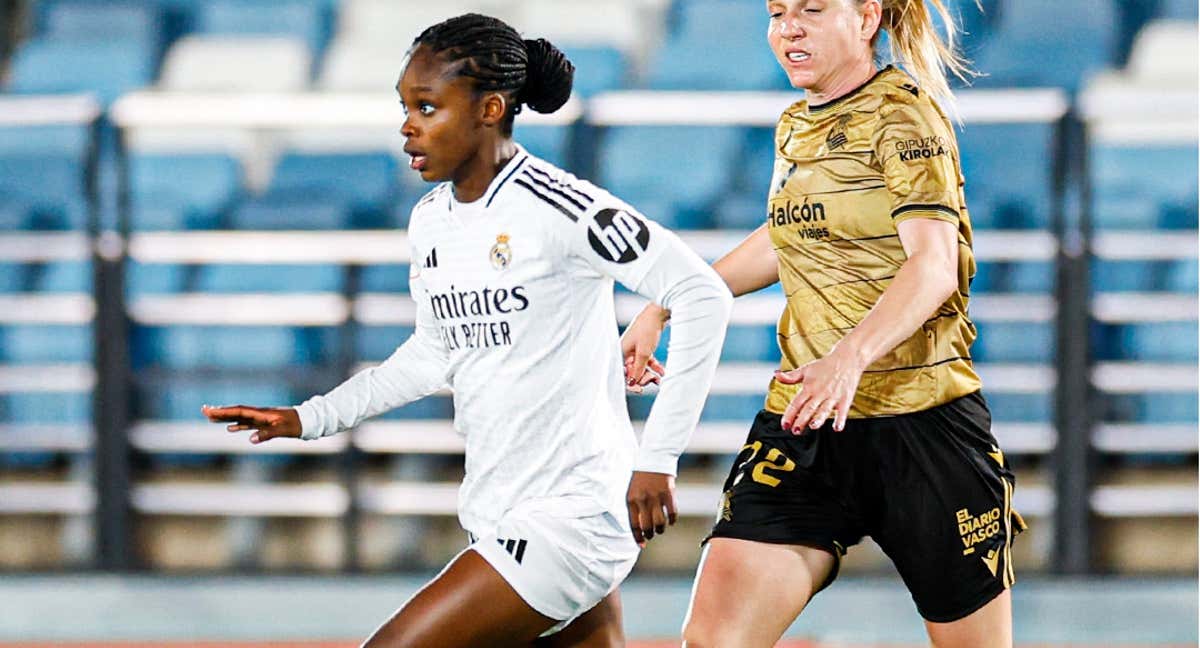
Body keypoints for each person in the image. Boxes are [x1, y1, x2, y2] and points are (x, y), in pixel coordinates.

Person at [203, 13, 732, 648]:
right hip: (501, 511)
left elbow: (701, 292)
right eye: (404, 106)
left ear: (490, 109)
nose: (407, 126)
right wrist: (309, 418)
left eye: (428, 107)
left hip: (572, 517)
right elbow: (431, 354)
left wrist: (659, 459)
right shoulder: (430, 222)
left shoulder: (562, 207)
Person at [621, 1, 1025, 646]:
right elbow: (788, 236)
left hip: (923, 430)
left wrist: (848, 357)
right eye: (778, 13)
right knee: (715, 639)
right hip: (805, 425)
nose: (790, 28)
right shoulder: (795, 124)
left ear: (867, 19)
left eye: (812, 9)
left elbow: (933, 267)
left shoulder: (905, 117)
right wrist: (669, 299)